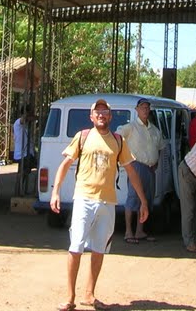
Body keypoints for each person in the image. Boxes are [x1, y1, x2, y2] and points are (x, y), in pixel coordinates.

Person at [50, 98, 148, 311]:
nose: (102, 114)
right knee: (76, 247)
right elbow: (65, 165)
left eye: (105, 111)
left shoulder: (119, 141)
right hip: (84, 199)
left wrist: (143, 201)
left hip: (107, 203)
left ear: (110, 117)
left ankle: (89, 294)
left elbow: (131, 172)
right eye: (98, 111)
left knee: (99, 249)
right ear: (91, 117)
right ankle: (70, 296)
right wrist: (55, 192)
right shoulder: (82, 137)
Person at [118, 97, 166, 244]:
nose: (145, 110)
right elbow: (117, 136)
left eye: (147, 107)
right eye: (142, 107)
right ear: (137, 110)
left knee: (146, 199)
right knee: (133, 198)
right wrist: (124, 158)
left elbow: (161, 147)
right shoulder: (131, 127)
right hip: (137, 166)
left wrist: (156, 161)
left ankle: (139, 231)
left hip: (151, 168)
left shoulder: (155, 130)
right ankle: (128, 232)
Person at [13, 107, 36, 193]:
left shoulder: (26, 125)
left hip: (27, 152)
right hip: (21, 153)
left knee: (25, 172)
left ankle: (21, 190)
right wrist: (27, 114)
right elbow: (24, 118)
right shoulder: (18, 122)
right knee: (22, 173)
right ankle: (19, 191)